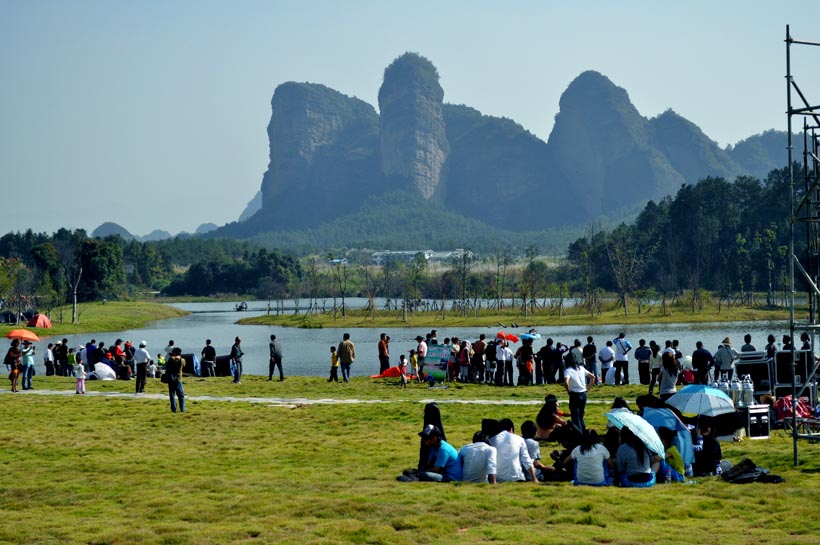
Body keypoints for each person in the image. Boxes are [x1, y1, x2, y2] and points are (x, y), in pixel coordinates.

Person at [489, 418, 535, 483]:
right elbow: (527, 461)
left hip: (497, 478)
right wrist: (534, 479)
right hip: (517, 478)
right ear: (511, 429)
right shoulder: (519, 439)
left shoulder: (492, 440)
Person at [565, 347, 593, 432]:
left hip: (575, 394)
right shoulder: (581, 368)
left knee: (575, 416)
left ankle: (579, 434)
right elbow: (592, 377)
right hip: (583, 393)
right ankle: (583, 432)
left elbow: (566, 382)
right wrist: (588, 388)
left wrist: (568, 391)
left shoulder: (568, 370)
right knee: (581, 416)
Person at [165, 347, 186, 413]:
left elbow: (167, 366)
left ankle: (174, 409)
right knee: (181, 394)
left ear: (174, 352)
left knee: (172, 394)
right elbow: (184, 365)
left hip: (171, 378)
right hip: (179, 378)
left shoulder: (171, 359)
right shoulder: (182, 360)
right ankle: (182, 409)